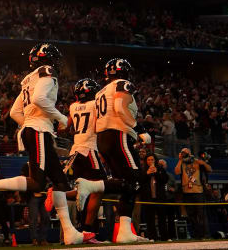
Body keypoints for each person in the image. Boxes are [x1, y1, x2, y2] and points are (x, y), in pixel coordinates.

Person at [0, 44, 95, 245]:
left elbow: (14, 112)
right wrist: (61, 118)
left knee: (61, 182)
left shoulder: (30, 79)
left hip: (36, 129)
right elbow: (39, 99)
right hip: (38, 130)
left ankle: (70, 232)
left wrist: (30, 124)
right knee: (37, 182)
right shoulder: (47, 72)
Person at [94, 57, 152, 243]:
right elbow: (120, 107)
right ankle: (93, 186)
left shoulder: (101, 91)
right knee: (135, 180)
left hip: (103, 137)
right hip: (118, 134)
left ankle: (124, 232)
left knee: (129, 184)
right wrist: (139, 129)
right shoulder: (122, 83)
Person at [63, 77, 118, 234]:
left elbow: (65, 126)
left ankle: (58, 194)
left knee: (84, 190)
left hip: (75, 151)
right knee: (98, 190)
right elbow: (98, 125)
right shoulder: (95, 104)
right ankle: (87, 230)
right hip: (89, 150)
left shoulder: (73, 107)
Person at [174, 147, 211, 238]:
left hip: (198, 192)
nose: (184, 154)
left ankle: (206, 235)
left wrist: (203, 163)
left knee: (201, 215)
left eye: (185, 153)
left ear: (190, 153)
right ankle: (196, 235)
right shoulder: (181, 163)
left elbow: (209, 169)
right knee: (191, 216)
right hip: (187, 192)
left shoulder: (196, 161)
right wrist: (180, 160)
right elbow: (176, 172)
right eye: (182, 152)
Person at [143, 154, 171, 240]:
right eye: (148, 160)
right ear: (146, 161)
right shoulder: (143, 170)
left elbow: (165, 179)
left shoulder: (160, 169)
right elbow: (140, 180)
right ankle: (152, 237)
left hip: (160, 198)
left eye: (152, 159)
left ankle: (165, 237)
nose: (150, 161)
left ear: (155, 160)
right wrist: (147, 174)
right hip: (148, 198)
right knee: (150, 219)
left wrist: (156, 173)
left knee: (162, 218)